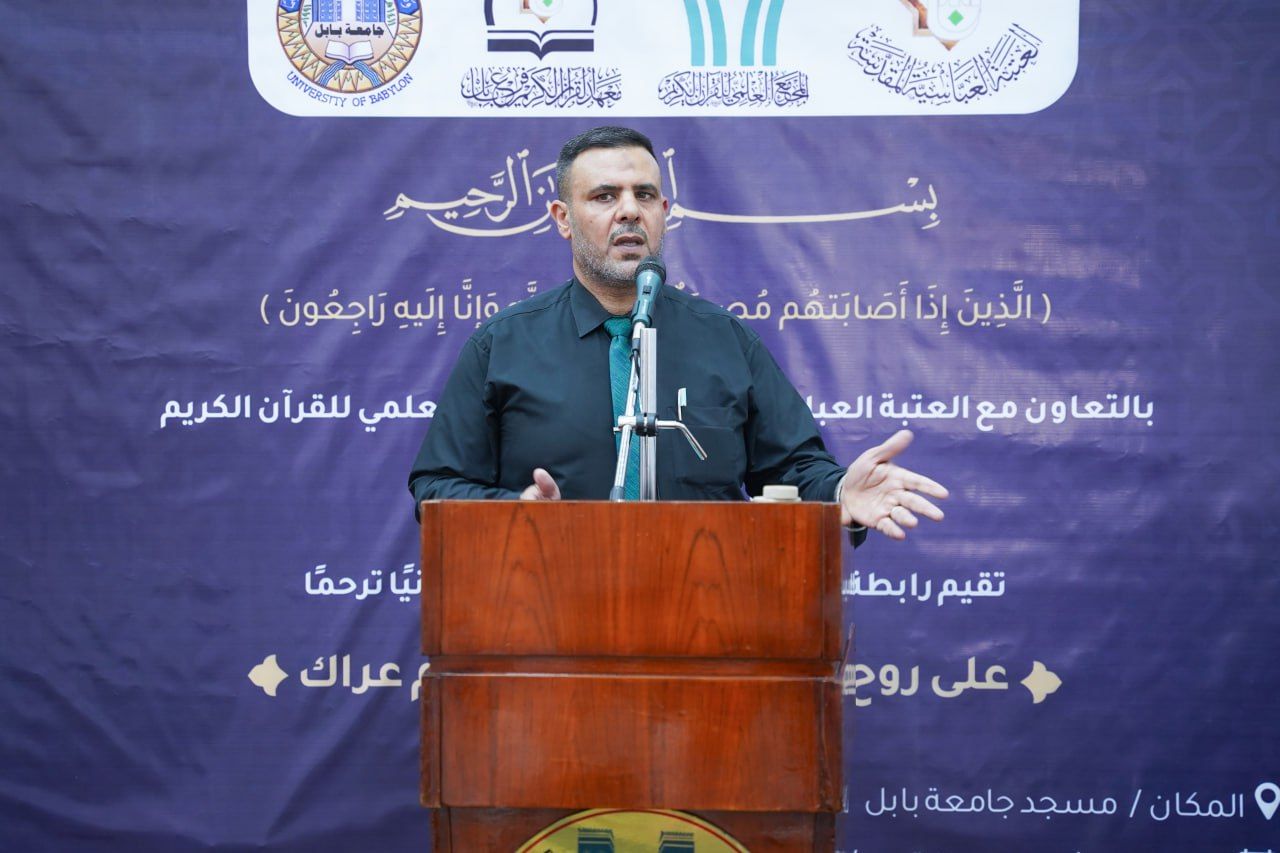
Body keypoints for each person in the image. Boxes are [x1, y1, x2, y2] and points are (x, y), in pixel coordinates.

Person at [408, 126, 946, 540]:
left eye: (644, 195)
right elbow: (436, 485)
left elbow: (791, 468)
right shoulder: (501, 346)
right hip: (545, 609)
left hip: (703, 611)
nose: (629, 211)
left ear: (664, 212)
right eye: (604, 196)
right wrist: (517, 512)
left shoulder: (725, 341)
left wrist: (839, 492)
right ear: (562, 217)